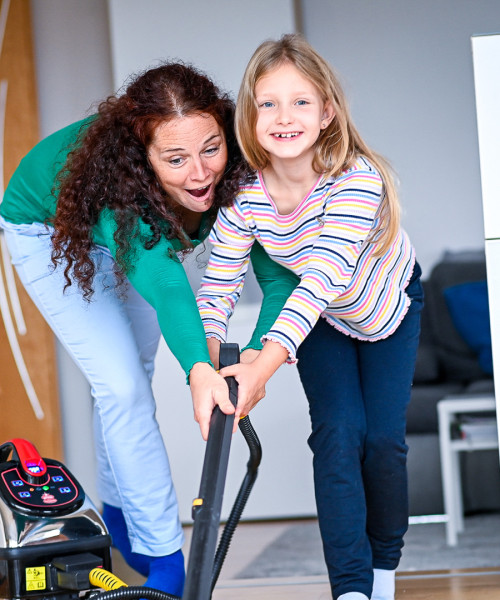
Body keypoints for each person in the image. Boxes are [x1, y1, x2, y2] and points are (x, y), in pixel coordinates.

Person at [0, 62, 253, 597]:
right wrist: (200, 369)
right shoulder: (121, 185)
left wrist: (257, 353)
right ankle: (164, 559)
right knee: (122, 388)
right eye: (176, 159)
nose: (200, 173)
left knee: (130, 374)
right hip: (48, 228)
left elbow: (266, 258)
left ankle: (120, 518)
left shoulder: (235, 168)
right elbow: (165, 285)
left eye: (211, 148)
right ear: (144, 158)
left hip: (126, 229)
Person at [196, 34, 423, 600]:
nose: (283, 116)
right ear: (249, 117)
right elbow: (219, 287)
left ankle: (383, 569)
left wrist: (261, 366)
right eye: (267, 103)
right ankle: (350, 589)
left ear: (327, 113)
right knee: (337, 435)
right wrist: (206, 366)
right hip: (315, 318)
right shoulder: (243, 196)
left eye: (300, 102)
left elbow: (323, 276)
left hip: (385, 308)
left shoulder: (356, 180)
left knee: (382, 442)